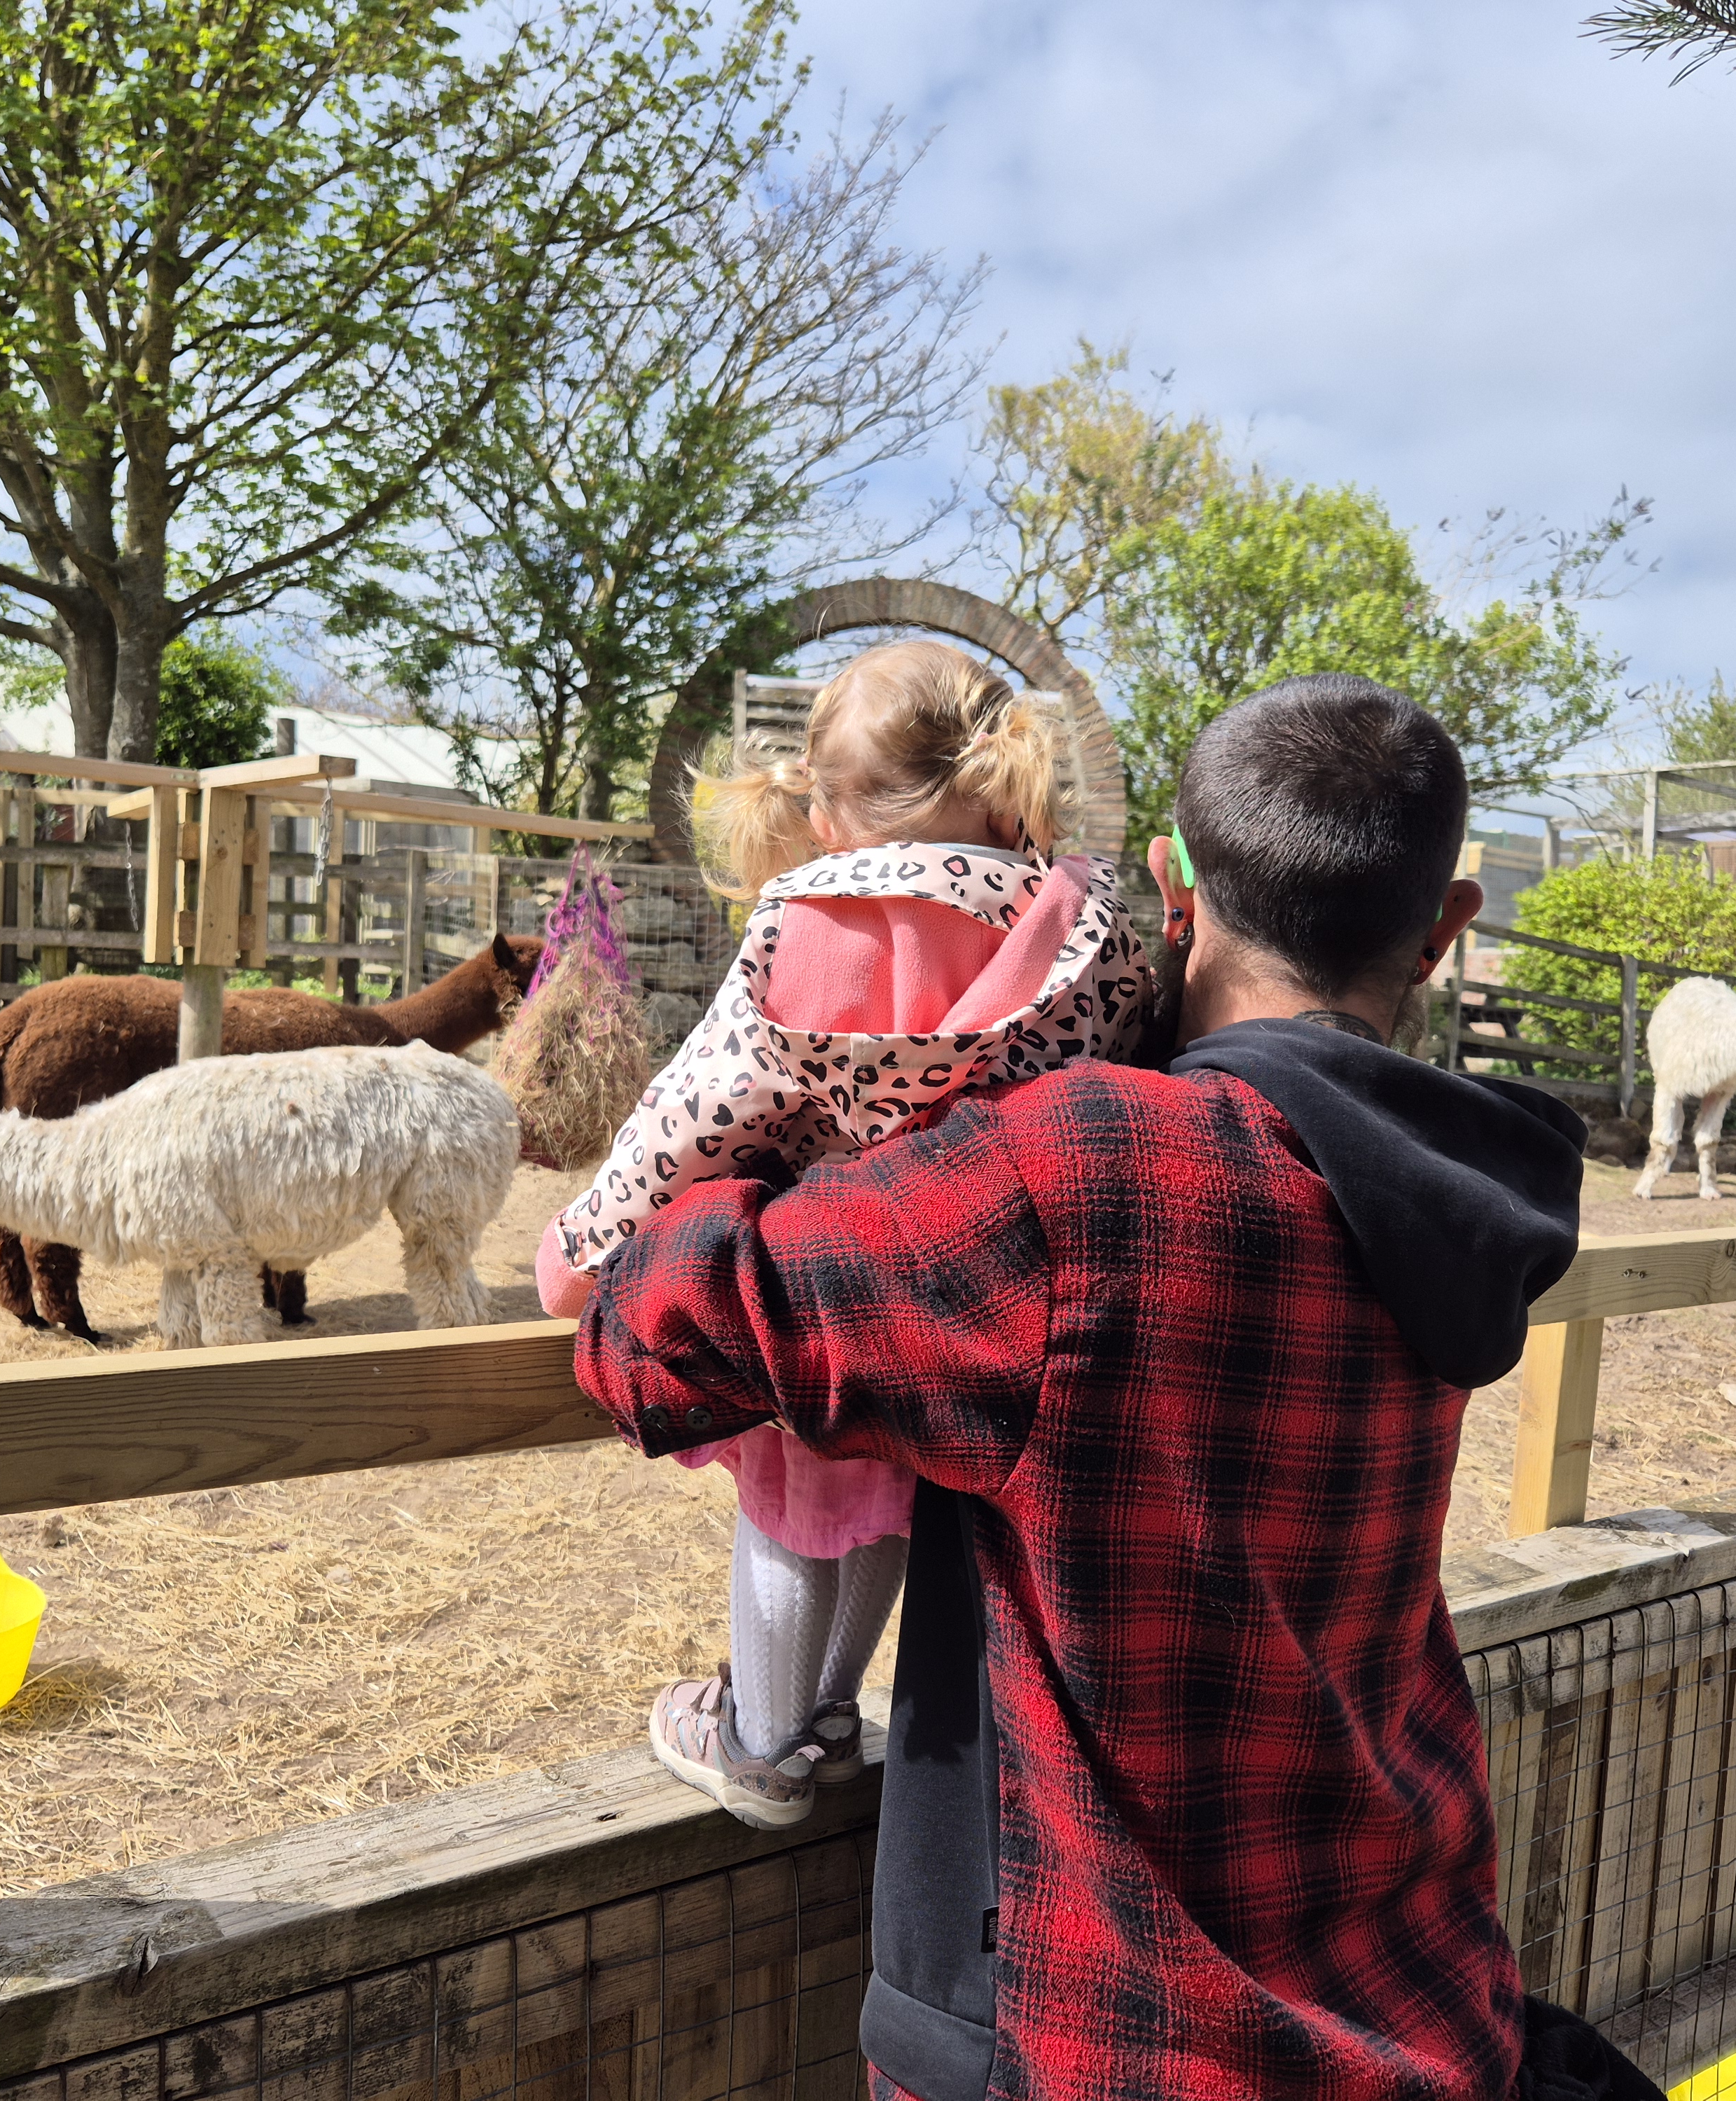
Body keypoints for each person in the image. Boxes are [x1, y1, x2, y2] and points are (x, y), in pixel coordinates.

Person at [572, 674, 1648, 2101]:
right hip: (1415, 2000)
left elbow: (655, 1339)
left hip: (1094, 2036)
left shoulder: (1077, 1175)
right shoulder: (1454, 1198)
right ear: (1445, 929)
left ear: (1172, 884)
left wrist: (800, 1149)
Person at [534, 637, 1153, 1831]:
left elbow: (700, 1109)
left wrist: (578, 1251)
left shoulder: (813, 921)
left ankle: (761, 1744)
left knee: (786, 1499)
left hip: (821, 1275)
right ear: (1000, 780)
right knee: (883, 1494)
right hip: (979, 1298)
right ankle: (826, 1712)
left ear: (823, 812)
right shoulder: (1090, 933)